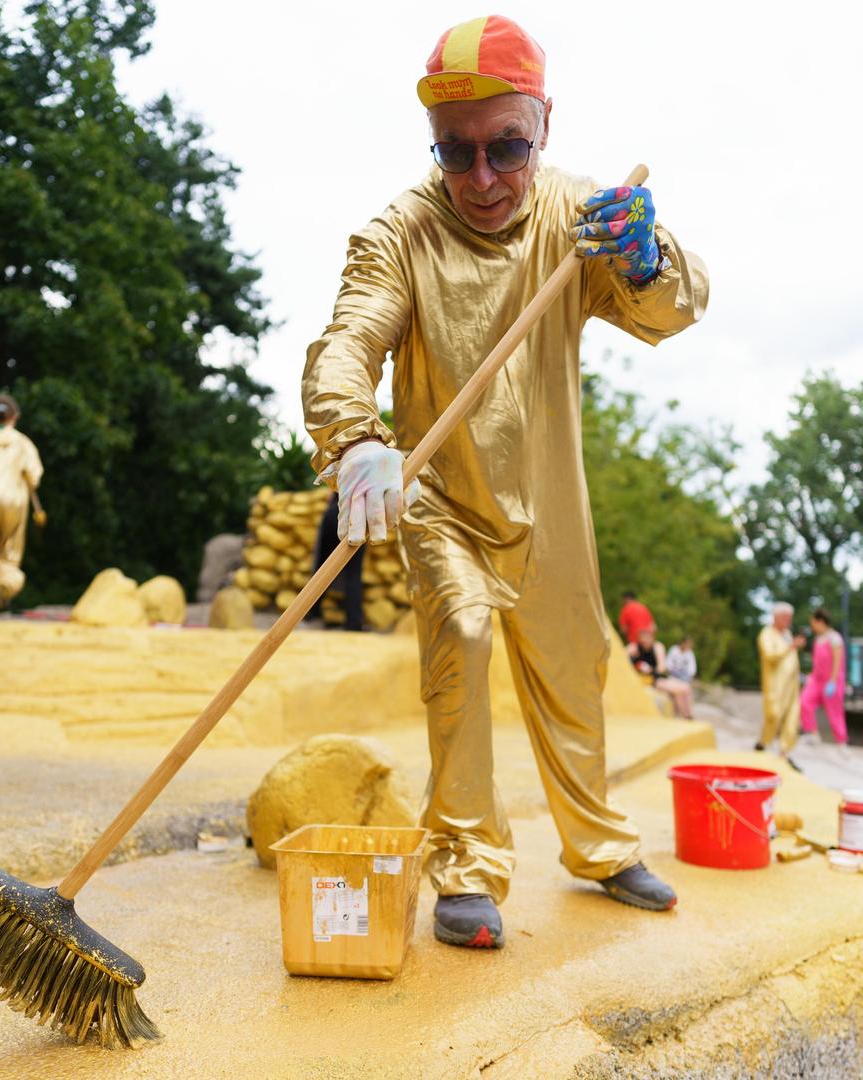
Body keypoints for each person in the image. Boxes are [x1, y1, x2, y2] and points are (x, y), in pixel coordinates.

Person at [302, 15, 708, 948]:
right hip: (440, 498)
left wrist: (647, 258)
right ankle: (466, 865)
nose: (481, 179)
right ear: (434, 146)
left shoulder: (584, 220)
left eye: (506, 148)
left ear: (545, 124)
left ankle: (600, 845)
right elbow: (347, 342)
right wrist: (357, 436)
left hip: (552, 499)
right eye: (456, 153)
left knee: (576, 667)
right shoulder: (399, 232)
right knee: (465, 640)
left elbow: (675, 310)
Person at [0, 393, 43, 610]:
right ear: (13, 417)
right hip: (12, 503)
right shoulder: (22, 443)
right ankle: (2, 597)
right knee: (8, 552)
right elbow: (34, 477)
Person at [305, 492, 366, 631]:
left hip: (335, 512)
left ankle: (311, 610)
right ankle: (353, 622)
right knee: (353, 573)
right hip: (357, 517)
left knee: (322, 567)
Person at [756, 602, 806, 764]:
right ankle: (764, 744)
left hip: (791, 686)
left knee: (792, 718)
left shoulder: (787, 633)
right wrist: (791, 646)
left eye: (789, 618)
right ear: (776, 617)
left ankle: (784, 751)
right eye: (785, 617)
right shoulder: (766, 634)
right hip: (775, 686)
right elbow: (770, 655)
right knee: (774, 714)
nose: (787, 620)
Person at [800, 608, 848, 751]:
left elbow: (837, 660)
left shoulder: (834, 638)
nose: (812, 626)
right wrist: (811, 676)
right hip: (817, 680)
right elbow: (817, 661)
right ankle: (813, 734)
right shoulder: (818, 639)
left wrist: (832, 681)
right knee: (804, 702)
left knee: (835, 712)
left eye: (813, 623)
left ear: (820, 621)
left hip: (831, 681)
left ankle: (841, 742)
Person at [627, 628, 695, 719]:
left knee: (685, 689)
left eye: (647, 638)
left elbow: (661, 668)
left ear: (652, 638)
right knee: (682, 690)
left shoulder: (656, 647)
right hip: (652, 681)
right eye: (643, 639)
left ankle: (687, 715)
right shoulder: (635, 648)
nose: (645, 641)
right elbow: (625, 657)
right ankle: (687, 716)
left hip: (657, 677)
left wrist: (651, 670)